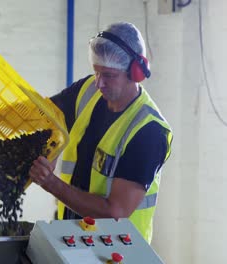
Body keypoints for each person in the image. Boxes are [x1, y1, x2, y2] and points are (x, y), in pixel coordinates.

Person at [28, 22, 172, 243]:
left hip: (118, 250)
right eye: (96, 73)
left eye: (109, 75)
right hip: (73, 238)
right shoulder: (88, 91)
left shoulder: (148, 132)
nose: (99, 83)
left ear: (134, 73)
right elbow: (43, 114)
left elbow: (115, 212)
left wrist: (51, 183)